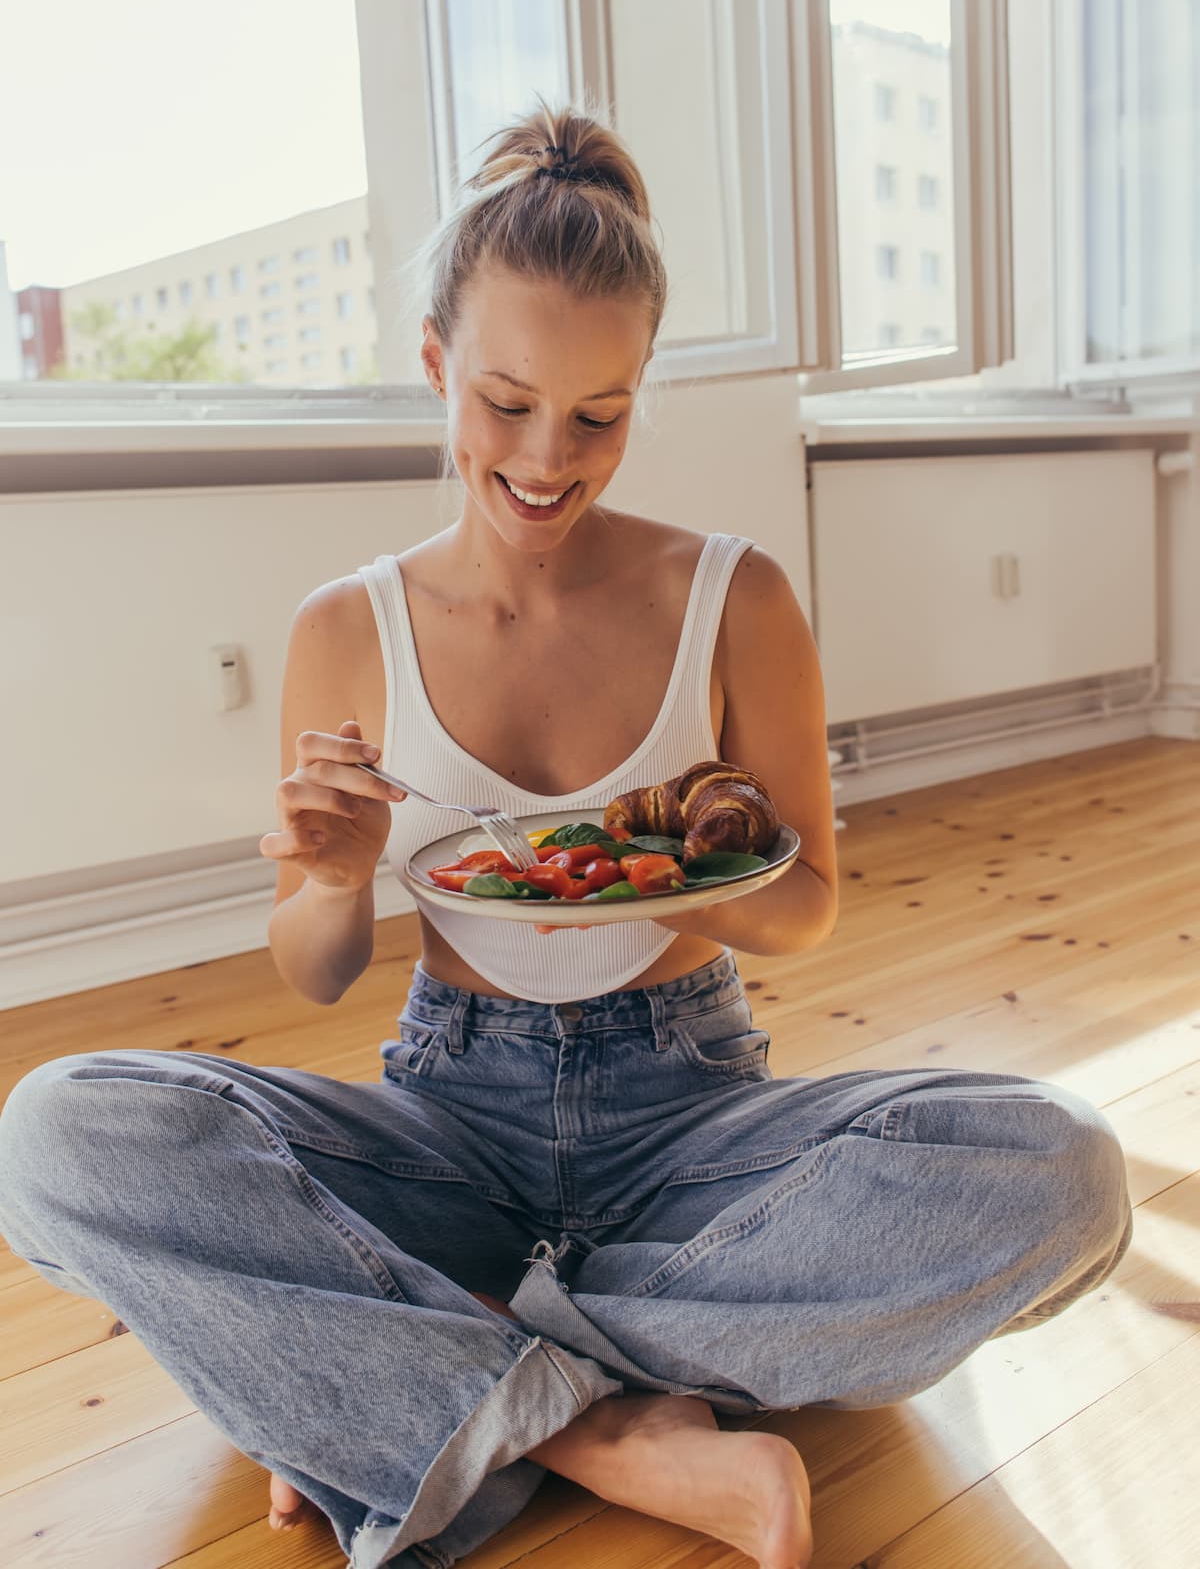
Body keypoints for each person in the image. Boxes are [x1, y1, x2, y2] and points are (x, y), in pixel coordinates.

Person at [0, 99, 1133, 1569]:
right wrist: (336, 878)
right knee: (56, 1135)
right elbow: (312, 972)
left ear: (641, 387)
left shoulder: (740, 597)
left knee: (1065, 1174)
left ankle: (398, 1379)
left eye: (598, 416)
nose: (547, 460)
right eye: (505, 403)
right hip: (445, 1122)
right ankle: (604, 1430)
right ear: (436, 368)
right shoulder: (348, 626)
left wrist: (683, 874)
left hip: (691, 1121)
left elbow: (807, 916)